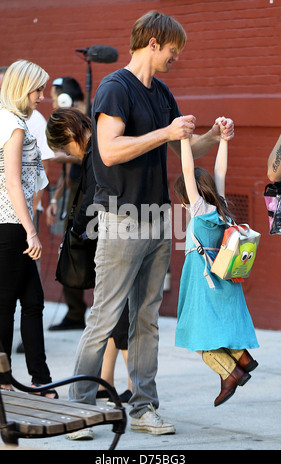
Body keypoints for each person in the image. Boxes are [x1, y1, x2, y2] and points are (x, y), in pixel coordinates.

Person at [67, 10, 235, 437]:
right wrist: (165, 134)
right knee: (105, 316)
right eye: (174, 49)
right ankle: (79, 410)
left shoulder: (161, 93)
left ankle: (143, 407)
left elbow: (183, 146)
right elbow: (109, 150)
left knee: (146, 319)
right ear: (154, 42)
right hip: (122, 218)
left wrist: (213, 136)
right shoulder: (114, 88)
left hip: (159, 219)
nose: (177, 57)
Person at [45, 108, 132, 431]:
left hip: (115, 235)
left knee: (116, 314)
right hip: (116, 232)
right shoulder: (98, 144)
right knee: (110, 311)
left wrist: (78, 230)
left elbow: (94, 196)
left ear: (70, 136)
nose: (68, 154)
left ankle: (136, 390)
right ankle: (102, 382)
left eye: (66, 148)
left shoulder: (97, 149)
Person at [174, 119, 259, 407]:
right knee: (218, 328)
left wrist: (184, 139)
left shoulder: (197, 209)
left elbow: (187, 170)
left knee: (198, 338)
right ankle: (242, 356)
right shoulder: (221, 207)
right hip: (224, 277)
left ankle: (231, 372)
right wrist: (223, 140)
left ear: (189, 195)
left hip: (202, 278)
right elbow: (221, 170)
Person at [0, 59, 57, 398]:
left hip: (13, 223)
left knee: (32, 301)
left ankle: (39, 378)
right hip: (12, 226)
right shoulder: (15, 125)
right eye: (38, 89)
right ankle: (9, 381)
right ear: (24, 88)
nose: (42, 96)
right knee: (7, 303)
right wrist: (30, 230)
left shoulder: (10, 120)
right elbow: (13, 184)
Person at [46, 77, 88, 330]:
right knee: (69, 249)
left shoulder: (89, 120)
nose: (52, 103)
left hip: (91, 194)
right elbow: (66, 176)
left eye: (55, 97)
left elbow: (93, 155)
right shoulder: (68, 121)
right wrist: (54, 198)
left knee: (80, 249)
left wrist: (66, 156)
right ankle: (74, 312)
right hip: (74, 190)